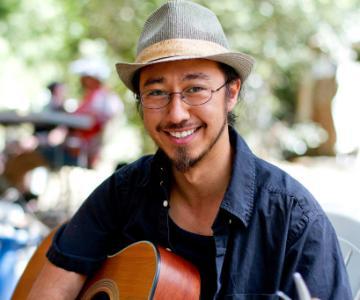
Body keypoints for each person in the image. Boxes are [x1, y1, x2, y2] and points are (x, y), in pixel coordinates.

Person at [28, 1, 351, 299]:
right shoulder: (122, 193)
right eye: (156, 92)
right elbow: (48, 289)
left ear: (232, 92)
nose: (176, 113)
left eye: (195, 89)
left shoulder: (293, 220)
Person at [2, 60, 122, 197]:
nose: (81, 80)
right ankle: (19, 194)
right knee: (22, 154)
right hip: (76, 150)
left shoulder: (101, 98)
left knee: (23, 158)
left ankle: (12, 193)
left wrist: (42, 140)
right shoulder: (98, 97)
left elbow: (82, 126)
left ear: (91, 78)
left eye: (83, 77)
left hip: (79, 153)